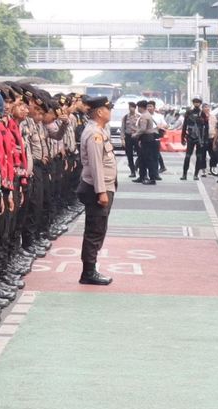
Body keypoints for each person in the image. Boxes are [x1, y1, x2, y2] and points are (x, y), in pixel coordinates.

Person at [77, 96, 116, 286]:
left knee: (99, 228)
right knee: (94, 230)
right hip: (95, 188)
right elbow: (96, 165)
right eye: (108, 109)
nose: (110, 112)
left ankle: (91, 268)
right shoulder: (94, 134)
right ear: (100, 112)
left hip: (103, 186)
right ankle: (88, 272)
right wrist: (101, 191)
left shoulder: (100, 130)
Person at [132, 100, 159, 185]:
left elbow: (143, 129)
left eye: (138, 108)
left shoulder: (144, 116)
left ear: (140, 107)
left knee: (148, 159)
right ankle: (142, 176)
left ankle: (152, 178)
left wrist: (135, 134)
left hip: (147, 139)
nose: (137, 109)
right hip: (147, 139)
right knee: (142, 159)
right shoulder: (147, 115)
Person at [181, 97, 202, 180]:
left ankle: (196, 174)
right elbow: (184, 126)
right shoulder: (189, 112)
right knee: (187, 156)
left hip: (200, 137)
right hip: (190, 137)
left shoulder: (202, 113)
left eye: (198, 102)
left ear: (200, 103)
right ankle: (184, 174)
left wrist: (205, 139)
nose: (196, 104)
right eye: (195, 102)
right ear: (193, 103)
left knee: (199, 157)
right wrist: (182, 137)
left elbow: (206, 126)